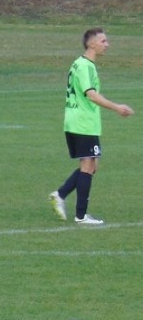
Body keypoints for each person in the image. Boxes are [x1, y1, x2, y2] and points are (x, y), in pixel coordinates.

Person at [48, 28, 134, 224]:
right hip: (82, 123)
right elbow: (91, 94)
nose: (107, 45)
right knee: (88, 165)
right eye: (103, 41)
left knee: (92, 165)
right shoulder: (85, 66)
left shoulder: (79, 64)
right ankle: (81, 215)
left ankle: (60, 195)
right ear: (91, 43)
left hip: (79, 121)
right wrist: (116, 107)